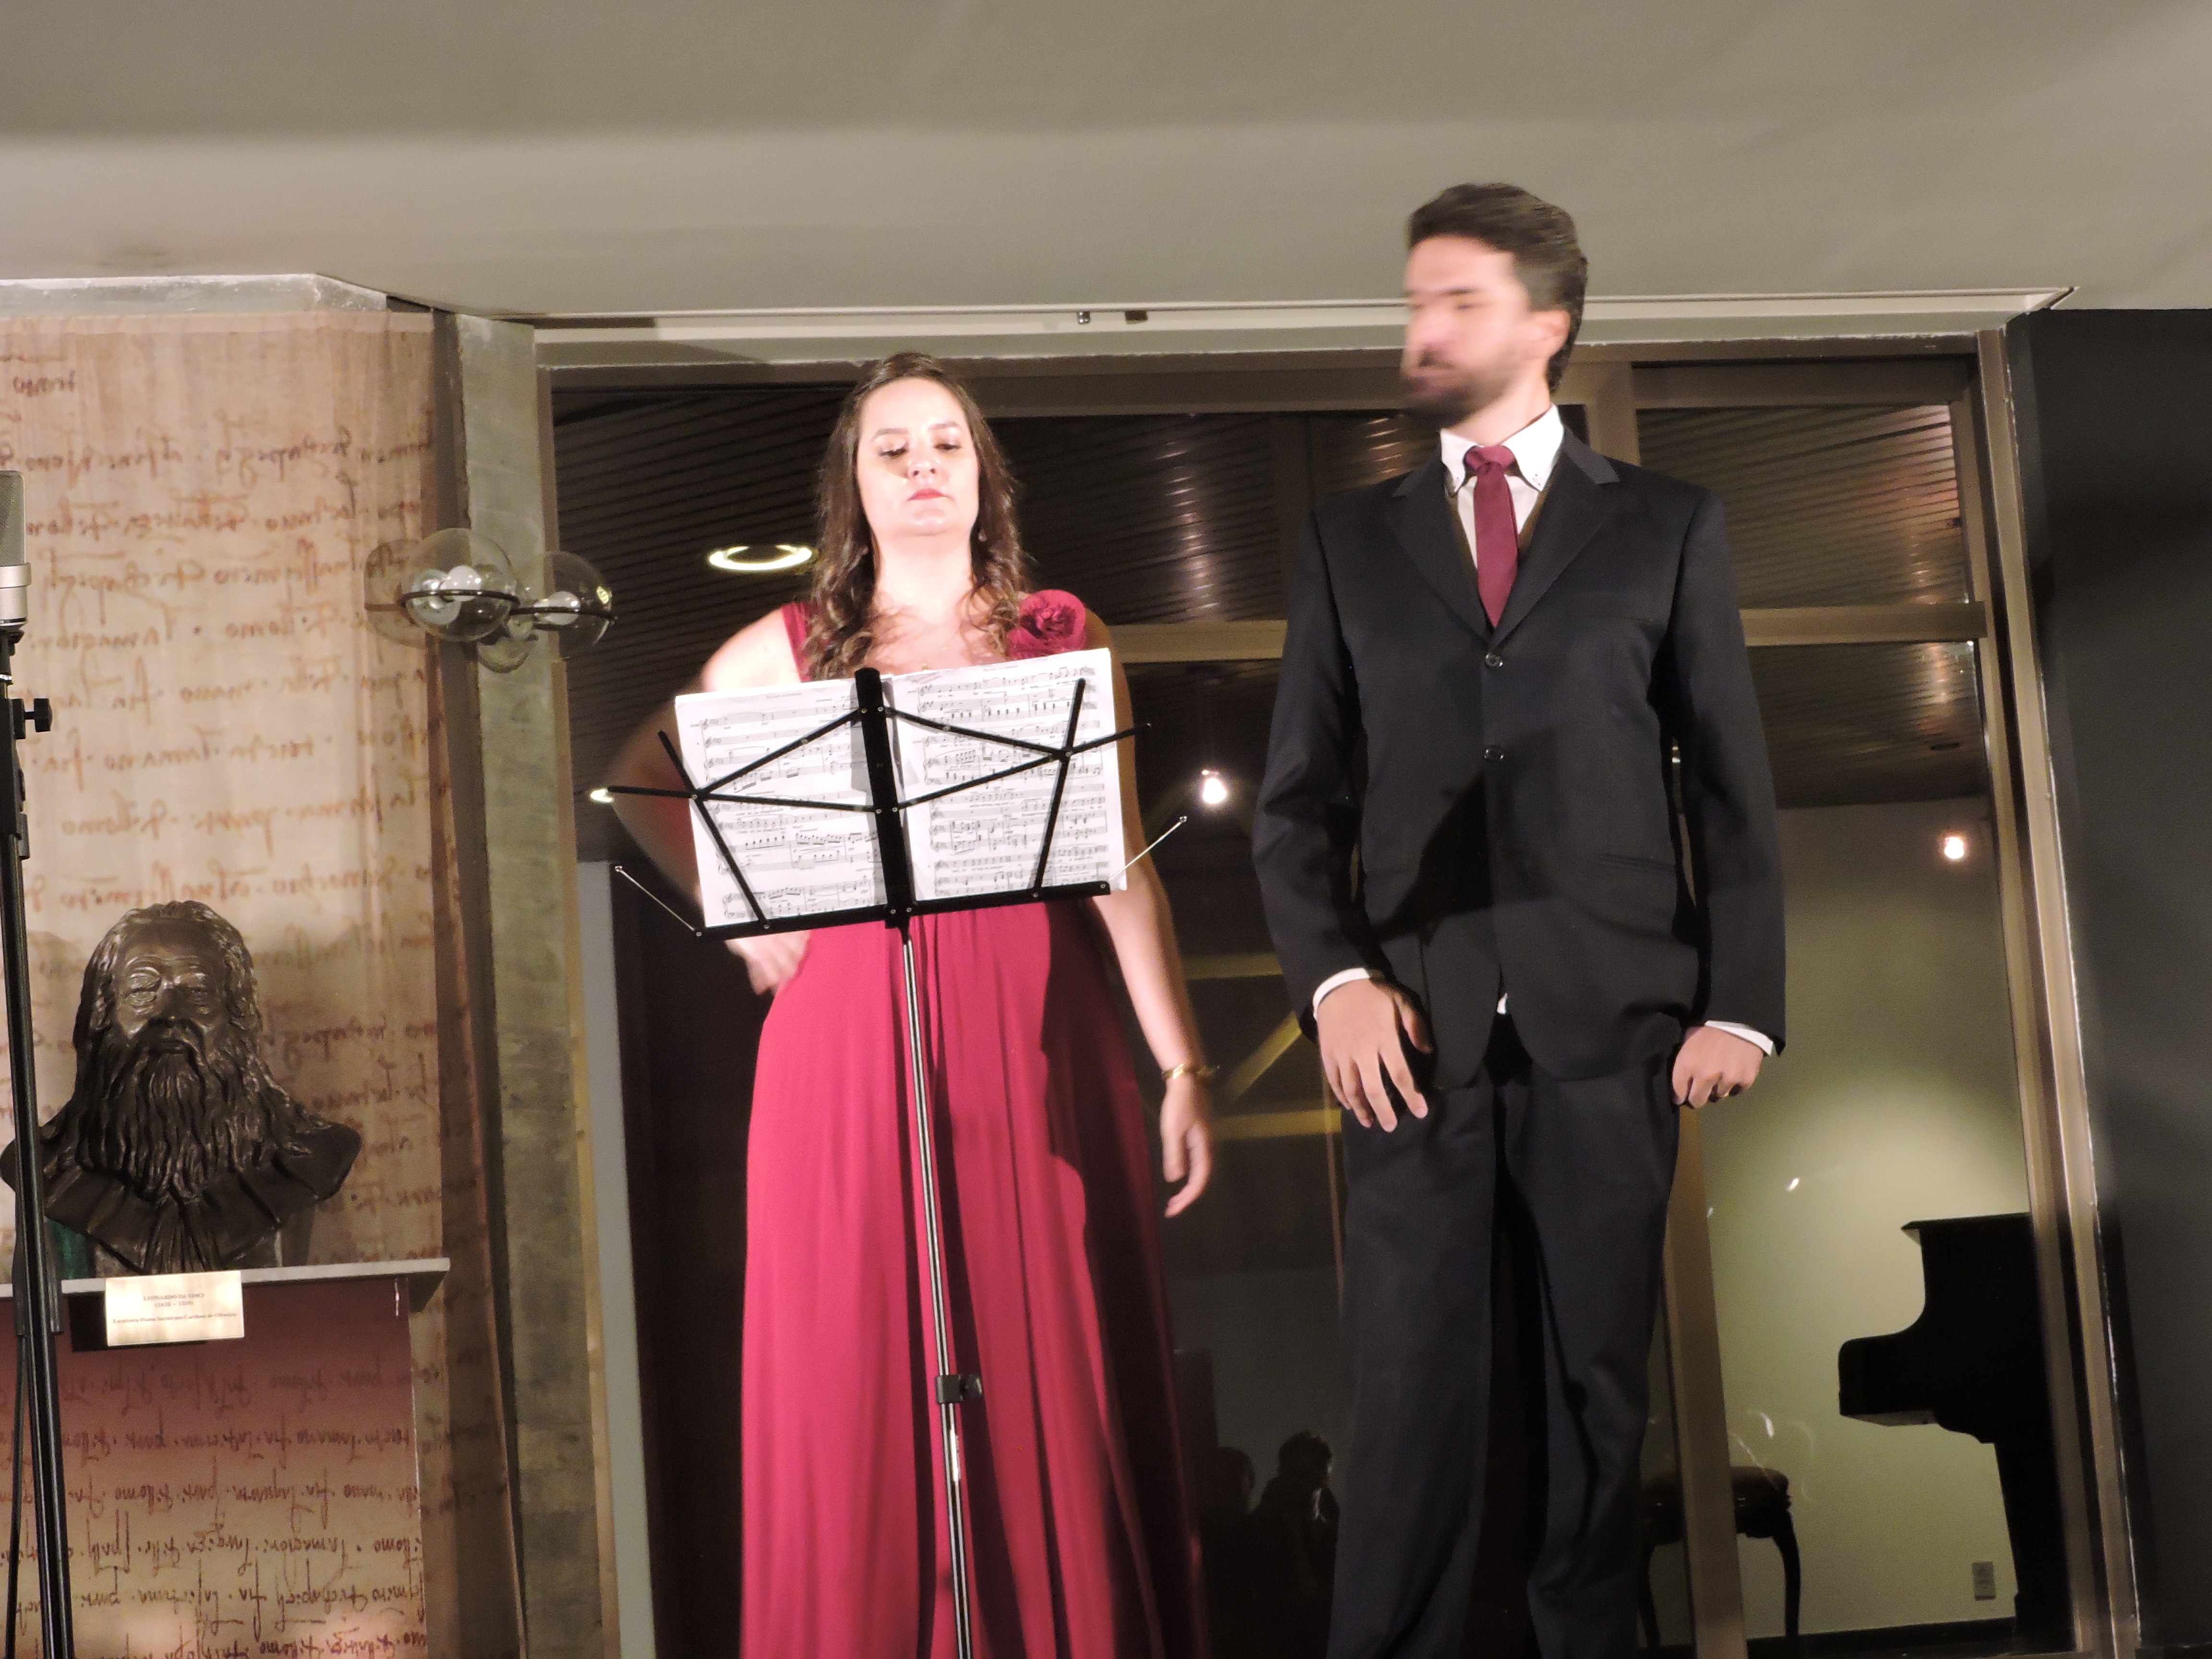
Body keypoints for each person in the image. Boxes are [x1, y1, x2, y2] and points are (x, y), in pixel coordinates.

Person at [611, 351, 1216, 1659]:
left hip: (1033, 1016)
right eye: (892, 449)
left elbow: (1119, 858)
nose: (924, 467)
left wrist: (1181, 1065)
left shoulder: (1058, 630)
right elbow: (647, 779)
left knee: (1051, 1332)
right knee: (860, 1353)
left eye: (946, 443)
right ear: (855, 484)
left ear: (984, 473)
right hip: (849, 1032)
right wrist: (747, 914)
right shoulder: (784, 649)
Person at [1251, 183, 1786, 1659]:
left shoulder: (1668, 525)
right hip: (1409, 1041)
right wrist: (1335, 984)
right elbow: (1295, 803)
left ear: (1547, 324)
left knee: (1594, 1400)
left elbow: (1728, 784)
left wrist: (1740, 1003)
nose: (1425, 329)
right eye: (1416, 301)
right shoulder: (1347, 541)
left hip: (1613, 1026)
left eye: (1461, 302)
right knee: (1410, 1403)